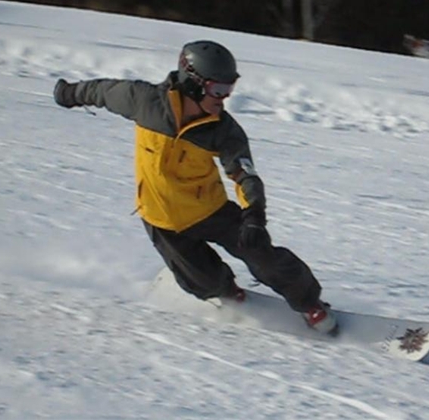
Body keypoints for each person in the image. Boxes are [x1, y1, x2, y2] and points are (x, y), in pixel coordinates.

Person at [53, 40, 338, 335]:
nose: (224, 99)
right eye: (218, 90)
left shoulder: (223, 129)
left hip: (209, 210)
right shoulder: (144, 102)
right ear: (193, 83)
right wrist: (69, 93)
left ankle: (310, 304)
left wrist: (254, 214)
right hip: (161, 219)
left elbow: (245, 174)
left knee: (262, 255)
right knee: (201, 281)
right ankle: (227, 292)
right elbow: (101, 91)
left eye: (229, 89)